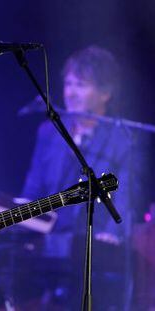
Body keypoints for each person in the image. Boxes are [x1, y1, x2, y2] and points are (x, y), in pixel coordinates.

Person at [20, 45, 142, 310]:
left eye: (81, 85)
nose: (71, 92)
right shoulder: (49, 132)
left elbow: (126, 194)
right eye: (68, 83)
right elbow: (33, 187)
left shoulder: (121, 139)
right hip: (49, 238)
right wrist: (22, 223)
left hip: (92, 241)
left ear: (105, 93)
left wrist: (112, 234)